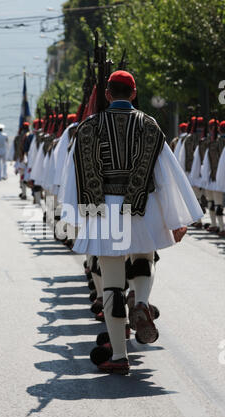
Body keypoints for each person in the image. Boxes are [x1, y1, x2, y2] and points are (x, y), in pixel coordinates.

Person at [61, 70, 203, 375]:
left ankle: (120, 356)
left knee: (111, 283)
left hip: (105, 210)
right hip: (143, 206)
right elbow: (166, 176)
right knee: (144, 256)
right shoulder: (150, 127)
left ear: (108, 95)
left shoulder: (88, 128)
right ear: (134, 93)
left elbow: (76, 176)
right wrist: (178, 217)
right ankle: (141, 300)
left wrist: (75, 218)